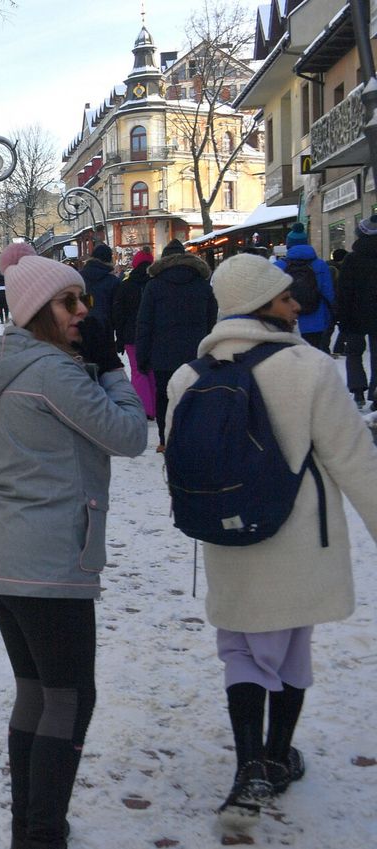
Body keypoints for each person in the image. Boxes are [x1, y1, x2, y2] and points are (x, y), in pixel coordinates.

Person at [165, 253, 377, 829]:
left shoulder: (189, 376)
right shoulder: (309, 367)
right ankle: (279, 756)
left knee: (241, 648)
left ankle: (249, 767)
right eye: (286, 297)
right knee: (290, 647)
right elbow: (355, 460)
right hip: (299, 531)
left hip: (228, 536)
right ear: (261, 304)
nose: (297, 305)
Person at [0, 241, 148, 849]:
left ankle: (31, 823)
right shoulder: (53, 373)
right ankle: (41, 834)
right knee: (71, 697)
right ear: (38, 309)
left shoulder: (14, 367)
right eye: (68, 301)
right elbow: (128, 434)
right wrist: (115, 368)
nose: (82, 311)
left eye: (83, 299)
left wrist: (93, 366)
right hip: (46, 560)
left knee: (37, 693)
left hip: (1, 559)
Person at [135, 239, 217, 449]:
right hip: (195, 352)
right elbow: (211, 319)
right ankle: (193, 438)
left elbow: (144, 323)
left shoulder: (154, 286)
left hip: (163, 354)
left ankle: (165, 439)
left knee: (165, 397)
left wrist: (142, 357)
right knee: (194, 396)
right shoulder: (202, 284)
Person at [274, 222, 335, 352]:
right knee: (314, 357)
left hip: (288, 320)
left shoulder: (279, 266)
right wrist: (329, 316)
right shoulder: (320, 265)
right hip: (316, 319)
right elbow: (328, 293)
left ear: (288, 244)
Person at [111, 247, 156, 420]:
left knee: (138, 370)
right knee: (151, 369)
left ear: (135, 264)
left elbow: (119, 314)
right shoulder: (155, 284)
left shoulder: (126, 286)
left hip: (131, 334)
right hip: (153, 334)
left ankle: (144, 407)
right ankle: (155, 406)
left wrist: (120, 338)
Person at [337, 216, 377, 406]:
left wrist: (342, 318)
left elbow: (344, 291)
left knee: (353, 353)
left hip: (355, 315)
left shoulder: (352, 259)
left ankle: (358, 389)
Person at [79, 243, 119, 325]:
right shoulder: (113, 281)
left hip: (81, 325)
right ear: (109, 260)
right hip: (104, 327)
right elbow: (116, 309)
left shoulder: (79, 277)